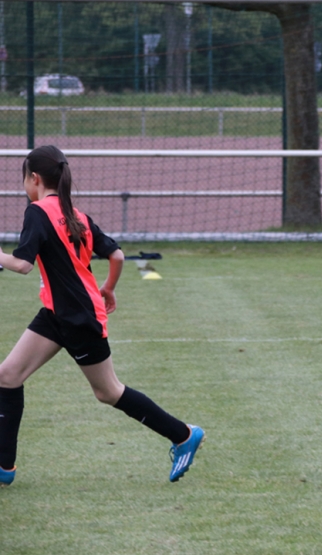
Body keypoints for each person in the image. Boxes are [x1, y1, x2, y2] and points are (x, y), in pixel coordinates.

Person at [0, 146, 204, 488]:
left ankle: (183, 434)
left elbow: (22, 264)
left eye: (23, 178)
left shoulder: (37, 211)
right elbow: (117, 255)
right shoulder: (76, 214)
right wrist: (108, 288)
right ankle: (4, 466)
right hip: (57, 313)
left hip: (78, 318)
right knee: (7, 375)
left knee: (108, 391)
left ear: (34, 178)